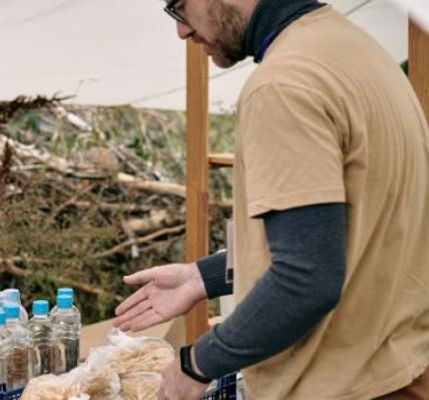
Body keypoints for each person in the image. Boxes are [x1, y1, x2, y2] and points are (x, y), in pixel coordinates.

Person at [115, 0, 429, 399]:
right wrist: (203, 276)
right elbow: (347, 234)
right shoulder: (360, 54)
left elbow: (304, 279)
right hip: (400, 373)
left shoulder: (282, 85)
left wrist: (195, 365)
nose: (182, 31)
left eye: (179, 7)